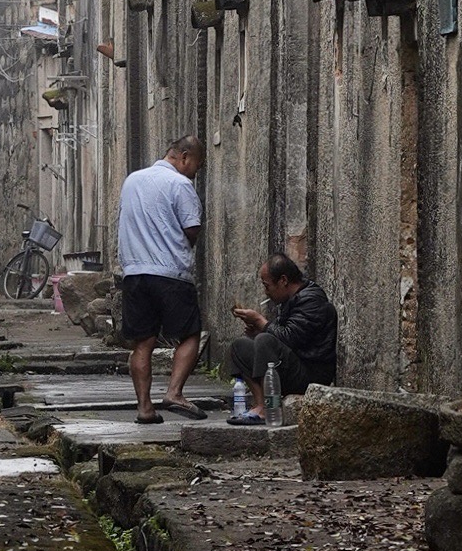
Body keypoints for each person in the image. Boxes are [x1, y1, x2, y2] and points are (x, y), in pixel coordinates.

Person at [115, 136, 205, 423]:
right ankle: (174, 392)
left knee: (143, 343)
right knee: (190, 334)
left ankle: (144, 408)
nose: (195, 172)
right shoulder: (180, 184)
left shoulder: (132, 180)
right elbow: (192, 229)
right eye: (196, 166)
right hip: (170, 273)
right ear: (184, 157)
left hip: (134, 273)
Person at [227, 253, 337, 423]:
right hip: (290, 366)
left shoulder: (311, 300)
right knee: (240, 346)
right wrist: (255, 331)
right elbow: (281, 335)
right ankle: (261, 404)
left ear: (283, 280)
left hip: (310, 373)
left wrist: (259, 321)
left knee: (264, 340)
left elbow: (289, 338)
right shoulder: (289, 300)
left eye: (267, 286)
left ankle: (267, 408)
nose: (266, 292)